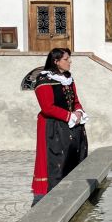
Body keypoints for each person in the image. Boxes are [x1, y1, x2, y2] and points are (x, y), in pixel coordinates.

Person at [30, 48, 89, 206]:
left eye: (69, 59)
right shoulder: (44, 80)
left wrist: (78, 111)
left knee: (74, 155)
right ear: (56, 61)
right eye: (66, 59)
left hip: (71, 124)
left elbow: (75, 100)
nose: (70, 62)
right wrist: (69, 116)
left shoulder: (68, 78)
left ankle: (71, 192)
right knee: (56, 159)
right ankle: (52, 196)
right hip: (53, 126)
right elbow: (47, 107)